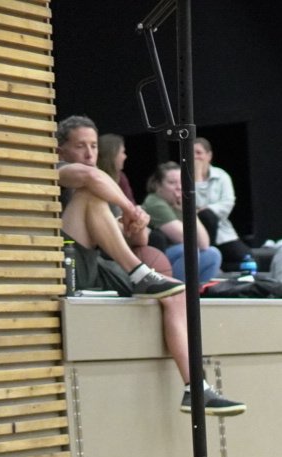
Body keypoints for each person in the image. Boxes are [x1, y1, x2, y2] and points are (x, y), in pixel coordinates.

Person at [54, 116, 244, 416]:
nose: (90, 154)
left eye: (93, 145)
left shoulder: (104, 185)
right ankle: (140, 273)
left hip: (98, 263)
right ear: (61, 151)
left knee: (176, 294)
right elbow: (90, 179)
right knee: (92, 191)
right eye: (80, 146)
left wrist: (134, 225)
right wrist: (132, 209)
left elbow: (140, 237)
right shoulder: (57, 171)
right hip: (65, 262)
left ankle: (196, 388)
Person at [96, 133, 171, 276]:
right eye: (122, 152)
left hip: (125, 227)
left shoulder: (121, 178)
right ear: (112, 154)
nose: (125, 156)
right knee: (155, 239)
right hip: (108, 231)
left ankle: (158, 279)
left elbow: (132, 207)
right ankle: (142, 277)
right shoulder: (97, 179)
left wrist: (139, 222)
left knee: (155, 236)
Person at [142, 161, 222, 285]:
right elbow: (182, 237)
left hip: (175, 255)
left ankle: (199, 296)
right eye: (172, 183)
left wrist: (190, 211)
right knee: (188, 251)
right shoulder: (155, 202)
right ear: (158, 186)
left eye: (181, 181)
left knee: (213, 254)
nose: (179, 187)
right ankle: (179, 293)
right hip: (153, 261)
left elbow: (204, 244)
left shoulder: (180, 204)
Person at [191, 137, 251, 270]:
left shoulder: (222, 176)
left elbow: (227, 204)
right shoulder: (182, 177)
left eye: (198, 152)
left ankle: (220, 267)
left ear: (209, 155)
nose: (195, 157)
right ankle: (210, 261)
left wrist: (206, 209)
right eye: (191, 153)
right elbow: (191, 208)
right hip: (197, 233)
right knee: (206, 216)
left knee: (248, 258)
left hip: (222, 232)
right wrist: (197, 179)